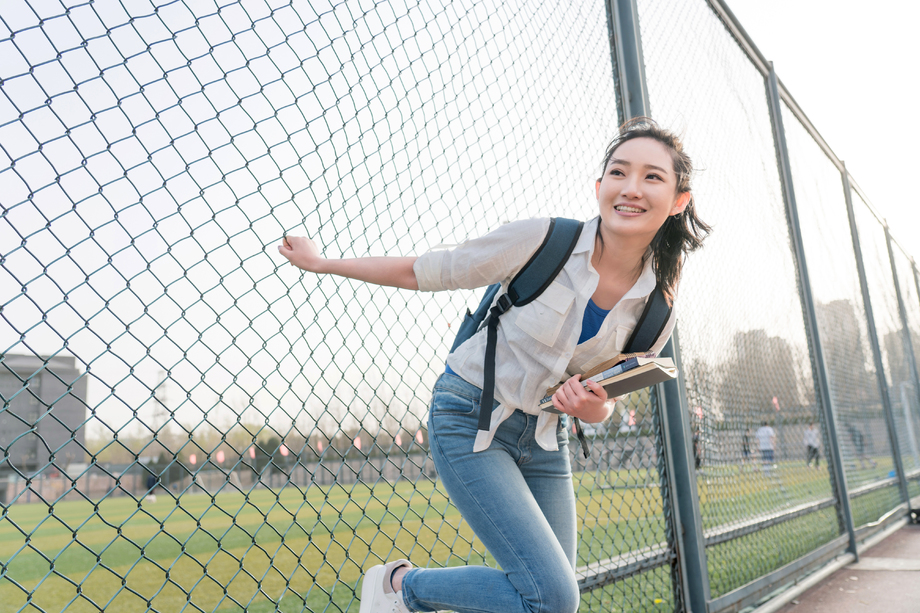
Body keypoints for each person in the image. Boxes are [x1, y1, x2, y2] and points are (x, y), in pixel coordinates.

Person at [278, 118, 710, 613]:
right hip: (469, 419)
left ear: (679, 200)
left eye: (653, 177)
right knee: (552, 597)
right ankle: (402, 588)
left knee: (546, 606)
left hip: (547, 439)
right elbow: (428, 270)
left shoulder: (658, 307)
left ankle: (405, 593)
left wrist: (591, 409)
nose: (631, 188)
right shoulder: (544, 241)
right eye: (619, 172)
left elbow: (603, 400)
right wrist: (325, 263)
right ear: (599, 187)